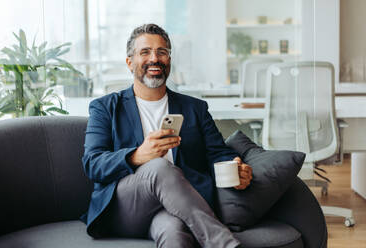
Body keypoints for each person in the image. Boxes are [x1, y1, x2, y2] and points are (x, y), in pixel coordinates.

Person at [82, 23, 252, 248]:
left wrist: (236, 168)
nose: (155, 58)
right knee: (159, 167)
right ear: (129, 62)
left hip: (175, 208)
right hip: (126, 208)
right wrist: (136, 155)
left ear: (169, 60)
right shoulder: (105, 107)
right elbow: (92, 163)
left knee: (174, 234)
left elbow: (218, 153)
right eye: (145, 52)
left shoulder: (195, 108)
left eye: (162, 52)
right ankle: (225, 245)